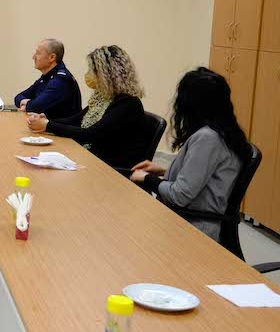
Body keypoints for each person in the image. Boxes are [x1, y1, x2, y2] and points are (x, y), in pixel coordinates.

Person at [130, 68, 250, 241]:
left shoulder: (208, 138)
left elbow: (180, 196)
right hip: (188, 217)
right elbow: (203, 177)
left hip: (193, 227)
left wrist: (147, 179)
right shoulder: (222, 131)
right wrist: (163, 170)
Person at [26, 45, 148, 169]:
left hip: (110, 167)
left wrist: (48, 125)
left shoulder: (127, 103)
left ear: (106, 74)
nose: (88, 75)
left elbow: (91, 134)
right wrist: (45, 121)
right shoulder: (102, 97)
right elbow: (75, 120)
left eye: (92, 71)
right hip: (92, 156)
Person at [14, 38, 81, 118]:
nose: (33, 57)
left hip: (62, 126)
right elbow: (18, 97)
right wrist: (26, 103)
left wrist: (27, 105)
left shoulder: (61, 80)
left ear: (52, 57)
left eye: (38, 53)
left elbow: (36, 107)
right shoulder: (46, 77)